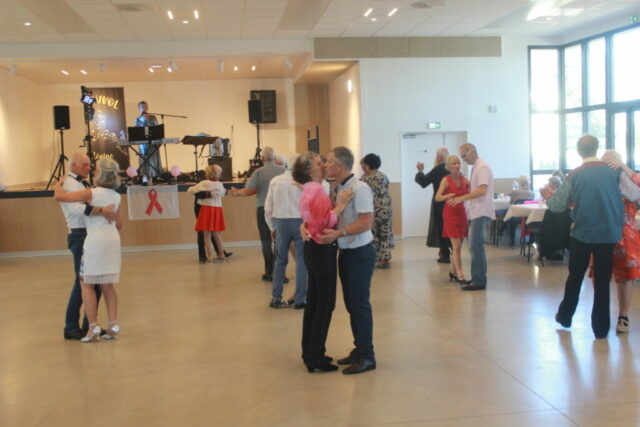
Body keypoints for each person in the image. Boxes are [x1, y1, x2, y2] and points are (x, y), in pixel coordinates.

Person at [548, 135, 623, 339]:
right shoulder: (613, 171)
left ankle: (565, 316)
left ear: (579, 151)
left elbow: (557, 205)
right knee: (603, 281)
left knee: (575, 277)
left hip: (582, 232)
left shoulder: (575, 174)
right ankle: (601, 328)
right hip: (608, 233)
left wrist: (549, 196)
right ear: (597, 148)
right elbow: (631, 193)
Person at [315, 146, 376, 375]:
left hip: (360, 253)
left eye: (328, 162)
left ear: (339, 166)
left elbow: (366, 222)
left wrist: (338, 234)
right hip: (347, 251)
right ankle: (359, 349)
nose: (325, 165)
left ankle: (367, 356)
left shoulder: (360, 188)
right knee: (352, 304)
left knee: (359, 305)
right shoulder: (339, 187)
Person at [54, 158, 124, 342]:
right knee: (107, 284)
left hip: (95, 239)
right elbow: (119, 224)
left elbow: (60, 198)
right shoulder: (116, 196)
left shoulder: (91, 192)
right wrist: (103, 212)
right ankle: (113, 325)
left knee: (86, 283)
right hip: (112, 240)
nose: (90, 169)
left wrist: (57, 185)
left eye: (94, 169)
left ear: (100, 174)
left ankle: (92, 327)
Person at [296, 152, 353, 372]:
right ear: (309, 170)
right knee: (325, 303)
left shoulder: (309, 189)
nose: (323, 165)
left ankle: (310, 351)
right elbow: (323, 223)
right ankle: (315, 357)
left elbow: (309, 220)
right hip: (321, 247)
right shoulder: (317, 190)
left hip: (313, 247)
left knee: (314, 301)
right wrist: (340, 207)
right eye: (319, 163)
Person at [230, 146, 285, 282]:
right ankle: (279, 272)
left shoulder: (258, 172)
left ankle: (269, 272)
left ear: (262, 158)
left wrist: (236, 193)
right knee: (280, 241)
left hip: (263, 209)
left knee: (266, 241)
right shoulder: (283, 171)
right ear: (274, 157)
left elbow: (248, 190)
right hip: (280, 210)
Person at [448, 143, 494, 291]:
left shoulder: (482, 167)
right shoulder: (476, 167)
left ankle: (479, 281)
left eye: (464, 156)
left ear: (472, 152)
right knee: (475, 247)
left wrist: (461, 198)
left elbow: (482, 190)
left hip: (481, 211)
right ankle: (477, 278)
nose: (463, 159)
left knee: (475, 246)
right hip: (475, 212)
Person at [603, 150, 640, 333]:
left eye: (613, 161)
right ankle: (601, 314)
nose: (609, 164)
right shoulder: (600, 177)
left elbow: (636, 191)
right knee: (600, 273)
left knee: (626, 274)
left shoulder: (626, 175)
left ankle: (623, 316)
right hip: (603, 230)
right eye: (606, 161)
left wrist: (623, 167)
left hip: (626, 232)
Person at [264, 155, 307, 309]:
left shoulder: (275, 181)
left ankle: (276, 298)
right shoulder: (305, 182)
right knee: (301, 261)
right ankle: (300, 300)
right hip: (300, 222)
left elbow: (268, 207)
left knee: (280, 260)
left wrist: (272, 227)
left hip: (280, 222)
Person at [435, 155, 470, 285]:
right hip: (450, 214)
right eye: (454, 163)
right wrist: (446, 196)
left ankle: (452, 271)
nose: (457, 165)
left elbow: (471, 194)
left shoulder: (465, 179)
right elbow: (437, 197)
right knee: (456, 245)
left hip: (462, 213)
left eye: (459, 163)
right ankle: (460, 274)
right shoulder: (446, 180)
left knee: (459, 245)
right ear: (448, 166)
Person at [415, 147, 451, 263]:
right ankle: (452, 252)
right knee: (451, 229)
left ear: (440, 157)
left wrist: (420, 171)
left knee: (442, 228)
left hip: (440, 204)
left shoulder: (438, 169)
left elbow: (423, 182)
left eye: (436, 154)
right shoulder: (453, 169)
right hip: (453, 203)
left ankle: (445, 255)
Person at [360, 153, 394, 269]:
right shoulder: (384, 176)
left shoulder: (365, 179)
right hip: (386, 208)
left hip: (373, 210)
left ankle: (374, 259)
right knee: (385, 233)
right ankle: (386, 258)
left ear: (368, 165)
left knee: (373, 234)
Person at [188, 165, 228, 262]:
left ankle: (210, 256)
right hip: (217, 210)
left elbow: (190, 190)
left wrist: (205, 192)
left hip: (206, 209)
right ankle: (221, 254)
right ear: (218, 175)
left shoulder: (204, 183)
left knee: (206, 234)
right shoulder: (220, 184)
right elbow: (223, 193)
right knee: (216, 233)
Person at [134, 101, 162, 183]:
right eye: (142, 107)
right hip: (143, 144)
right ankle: (144, 178)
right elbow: (136, 132)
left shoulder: (153, 118)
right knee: (144, 159)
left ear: (148, 107)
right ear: (139, 109)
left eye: (145, 107)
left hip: (152, 143)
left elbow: (157, 129)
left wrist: (158, 140)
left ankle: (153, 177)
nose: (144, 108)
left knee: (152, 159)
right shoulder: (137, 120)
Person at [507, 175, 536, 246]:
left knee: (510, 219)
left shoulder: (515, 192)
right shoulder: (532, 193)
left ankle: (512, 240)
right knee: (532, 220)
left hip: (517, 216)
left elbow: (511, 204)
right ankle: (531, 240)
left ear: (519, 182)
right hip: (528, 216)